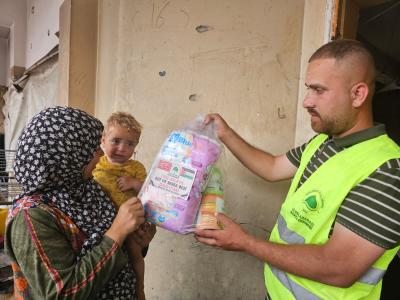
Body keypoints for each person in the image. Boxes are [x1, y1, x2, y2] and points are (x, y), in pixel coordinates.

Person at [195, 39, 400, 299]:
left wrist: (245, 242)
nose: (306, 101)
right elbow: (271, 167)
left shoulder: (387, 169)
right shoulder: (323, 142)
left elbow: (339, 267)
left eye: (318, 90)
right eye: (307, 89)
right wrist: (225, 133)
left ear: (357, 94)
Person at [4, 106, 151, 299]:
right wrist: (118, 231)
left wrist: (140, 242)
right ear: (66, 154)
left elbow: (118, 253)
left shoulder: (87, 189)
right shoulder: (31, 217)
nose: (100, 154)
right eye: (92, 148)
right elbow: (63, 293)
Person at [93, 112, 155, 300]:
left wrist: (135, 184)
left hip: (132, 224)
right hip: (104, 227)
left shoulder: (136, 168)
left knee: (136, 257)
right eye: (116, 141)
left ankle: (140, 289)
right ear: (103, 140)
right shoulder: (96, 165)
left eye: (130, 144)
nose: (122, 148)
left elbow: (151, 193)